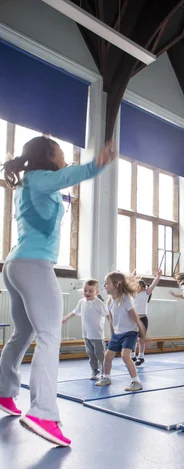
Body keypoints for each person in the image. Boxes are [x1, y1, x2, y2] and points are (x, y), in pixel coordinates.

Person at [0, 136, 114, 446]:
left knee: (22, 334)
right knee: (50, 336)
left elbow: (63, 177)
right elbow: (67, 176)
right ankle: (43, 414)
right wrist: (96, 164)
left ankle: (4, 393)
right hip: (34, 264)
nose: (65, 156)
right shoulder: (40, 179)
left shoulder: (29, 183)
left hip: (16, 264)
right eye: (61, 152)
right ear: (49, 155)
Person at [95, 271, 146, 391]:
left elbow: (135, 318)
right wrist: (112, 335)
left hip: (130, 333)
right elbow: (112, 320)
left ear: (116, 285)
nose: (104, 286)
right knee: (107, 357)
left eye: (107, 283)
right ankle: (107, 378)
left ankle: (136, 381)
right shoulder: (109, 301)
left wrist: (144, 335)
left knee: (125, 356)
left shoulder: (125, 299)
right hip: (117, 334)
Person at [62, 279, 110, 380]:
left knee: (100, 354)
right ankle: (94, 370)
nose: (87, 293)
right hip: (86, 334)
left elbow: (107, 315)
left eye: (90, 291)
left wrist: (113, 326)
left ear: (97, 292)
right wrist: (66, 317)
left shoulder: (99, 303)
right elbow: (75, 312)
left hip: (97, 335)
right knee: (90, 354)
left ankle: (104, 372)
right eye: (85, 290)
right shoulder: (82, 302)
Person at [131, 269, 162, 366]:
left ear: (143, 288)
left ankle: (141, 356)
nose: (136, 288)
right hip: (133, 319)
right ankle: (132, 355)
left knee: (141, 339)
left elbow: (153, 285)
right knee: (132, 338)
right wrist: (132, 278)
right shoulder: (132, 295)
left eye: (138, 286)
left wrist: (158, 276)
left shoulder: (145, 293)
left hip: (143, 318)